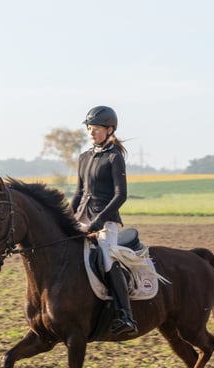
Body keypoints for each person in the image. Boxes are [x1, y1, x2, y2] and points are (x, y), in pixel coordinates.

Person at [71, 105, 138, 336]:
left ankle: (125, 314)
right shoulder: (84, 157)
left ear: (110, 130)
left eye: (96, 129)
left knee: (107, 257)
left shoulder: (114, 157)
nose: (91, 133)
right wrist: (67, 218)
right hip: (81, 218)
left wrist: (98, 222)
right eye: (89, 129)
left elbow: (121, 195)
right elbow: (79, 193)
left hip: (105, 221)